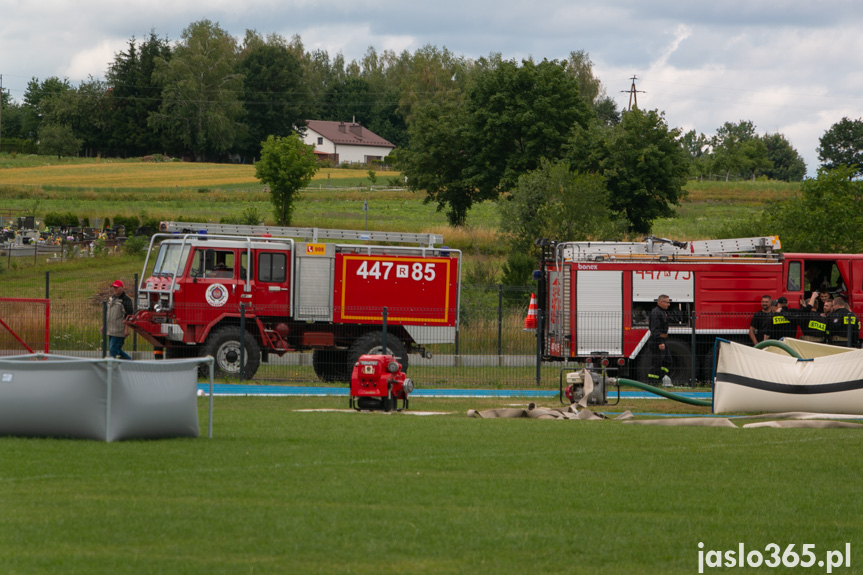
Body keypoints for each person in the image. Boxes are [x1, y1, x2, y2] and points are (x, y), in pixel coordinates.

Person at [648, 294, 672, 387]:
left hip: (661, 340)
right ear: (661, 302)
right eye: (667, 302)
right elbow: (655, 330)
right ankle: (652, 383)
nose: (669, 304)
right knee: (656, 363)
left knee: (668, 360)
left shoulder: (661, 312)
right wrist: (660, 342)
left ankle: (661, 377)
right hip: (656, 342)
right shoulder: (656, 313)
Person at [106, 279, 134, 359]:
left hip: (119, 330)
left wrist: (126, 329)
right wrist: (104, 325)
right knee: (116, 350)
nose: (114, 289)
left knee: (113, 351)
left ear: (122, 288)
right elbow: (109, 314)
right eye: (113, 287)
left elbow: (129, 315)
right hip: (111, 329)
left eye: (116, 287)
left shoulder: (126, 300)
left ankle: (111, 366)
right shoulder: (112, 298)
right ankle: (131, 363)